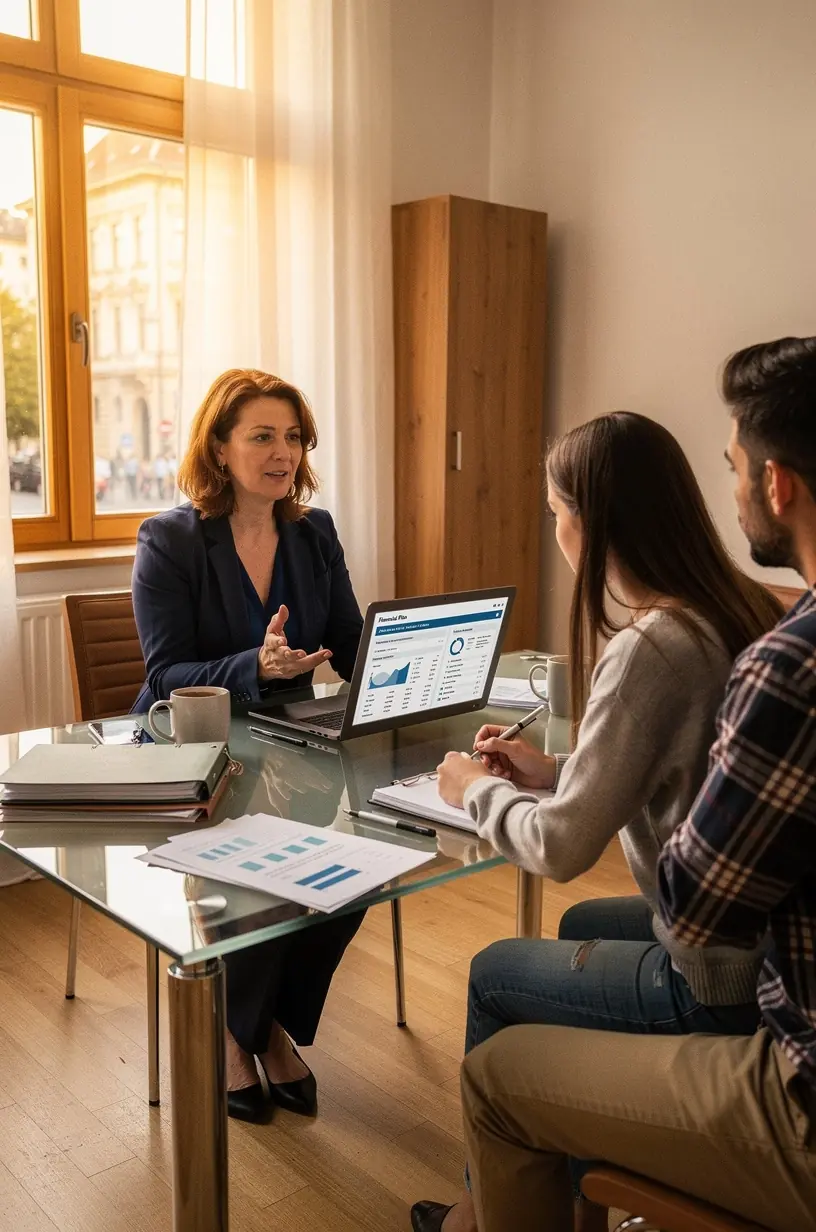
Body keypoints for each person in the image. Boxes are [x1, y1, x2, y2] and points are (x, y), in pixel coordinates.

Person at [455, 336, 816, 1232]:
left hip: (725, 979)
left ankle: (483, 1206)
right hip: (762, 949)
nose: (555, 531)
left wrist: (473, 787)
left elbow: (566, 848)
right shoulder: (733, 607)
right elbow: (691, 763)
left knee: (497, 969)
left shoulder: (655, 645)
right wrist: (558, 769)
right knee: (583, 929)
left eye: (554, 513)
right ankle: (578, 1192)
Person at [131, 368, 365, 1124]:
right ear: (220, 447)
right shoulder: (169, 540)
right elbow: (165, 674)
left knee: (363, 864)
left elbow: (351, 644)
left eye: (293, 437)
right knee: (267, 855)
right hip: (191, 745)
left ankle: (256, 1023)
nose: (283, 452)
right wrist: (252, 667)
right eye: (262, 435)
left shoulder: (313, 531)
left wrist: (407, 669)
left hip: (295, 738)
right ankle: (247, 1036)